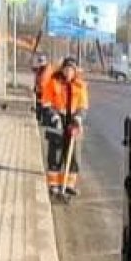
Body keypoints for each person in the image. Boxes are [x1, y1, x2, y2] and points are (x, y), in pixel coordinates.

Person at [39, 56, 88, 197]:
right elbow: (46, 102)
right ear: (62, 69)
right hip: (57, 121)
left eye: (71, 70)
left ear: (75, 71)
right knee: (55, 153)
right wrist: (53, 116)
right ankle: (54, 185)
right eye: (66, 69)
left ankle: (69, 184)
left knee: (73, 154)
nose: (68, 72)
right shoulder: (53, 82)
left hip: (73, 121)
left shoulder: (80, 85)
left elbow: (83, 106)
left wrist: (78, 118)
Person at [31, 54, 53, 121]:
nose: (40, 62)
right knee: (39, 104)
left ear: (45, 61)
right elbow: (36, 71)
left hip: (45, 91)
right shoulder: (40, 69)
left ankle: (44, 119)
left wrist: (38, 87)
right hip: (40, 90)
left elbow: (43, 80)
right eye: (39, 61)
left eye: (42, 60)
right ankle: (39, 117)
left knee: (44, 106)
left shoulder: (47, 69)